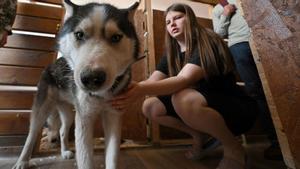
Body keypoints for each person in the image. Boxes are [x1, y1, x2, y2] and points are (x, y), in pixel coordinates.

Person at [111, 3, 258, 168]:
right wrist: (124, 88)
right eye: (168, 22)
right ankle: (199, 137)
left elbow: (183, 80)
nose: (172, 24)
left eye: (178, 18)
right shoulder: (171, 53)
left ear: (191, 18)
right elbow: (152, 82)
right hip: (200, 106)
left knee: (182, 97)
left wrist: (139, 89)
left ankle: (233, 148)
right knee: (150, 106)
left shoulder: (207, 40)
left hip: (235, 110)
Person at [212, 0, 283, 160]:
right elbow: (218, 34)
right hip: (240, 46)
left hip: (266, 41)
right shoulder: (218, 8)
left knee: (281, 85)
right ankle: (276, 142)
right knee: (256, 92)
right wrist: (226, 14)